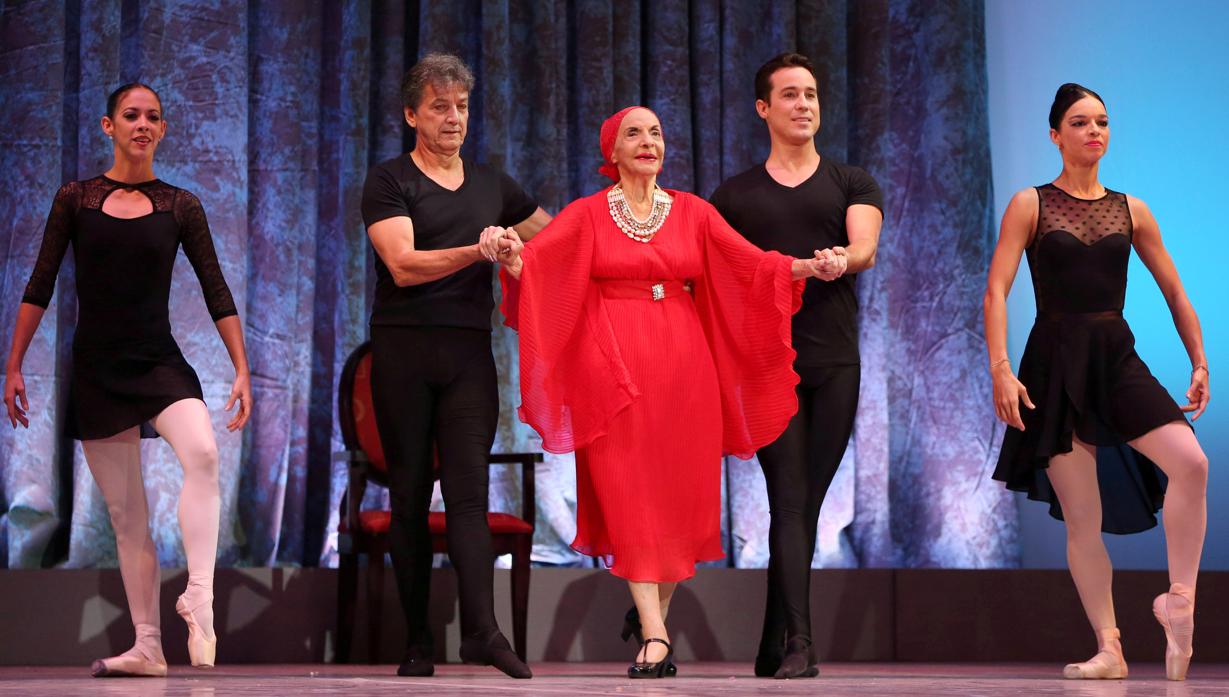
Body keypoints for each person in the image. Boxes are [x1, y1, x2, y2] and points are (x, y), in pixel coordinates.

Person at [496, 105, 829, 679]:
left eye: (655, 132)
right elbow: (539, 268)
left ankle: (650, 621)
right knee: (628, 494)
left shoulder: (695, 213)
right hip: (612, 366)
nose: (648, 141)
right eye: (633, 133)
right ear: (613, 151)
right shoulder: (588, 214)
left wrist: (804, 267)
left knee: (678, 499)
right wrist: (509, 256)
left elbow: (749, 265)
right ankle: (655, 634)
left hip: (684, 364)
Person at [3, 83, 251, 677]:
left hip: (159, 361)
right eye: (131, 116)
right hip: (98, 368)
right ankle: (147, 645)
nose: (143, 124)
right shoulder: (76, 200)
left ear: (163, 131)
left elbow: (216, 288)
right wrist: (13, 363)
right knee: (127, 513)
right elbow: (39, 283)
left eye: (154, 117)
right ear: (108, 126)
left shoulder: (179, 205)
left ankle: (198, 593)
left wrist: (241, 367)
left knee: (204, 453)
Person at [985, 83, 1209, 682]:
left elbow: (1174, 290)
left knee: (1192, 463)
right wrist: (1000, 368)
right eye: (1081, 122)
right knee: (1082, 516)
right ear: (1055, 134)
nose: (1094, 131)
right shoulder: (1030, 204)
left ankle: (1179, 602)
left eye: (1103, 122)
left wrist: (1199, 360)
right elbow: (997, 289)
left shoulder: (1132, 209)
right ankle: (1110, 647)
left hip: (1115, 356)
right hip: (1054, 362)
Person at [359, 53, 551, 679]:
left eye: (462, 106)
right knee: (410, 496)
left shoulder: (494, 185)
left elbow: (556, 244)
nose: (453, 118)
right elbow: (403, 264)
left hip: (469, 356)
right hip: (404, 354)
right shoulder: (389, 181)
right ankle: (418, 640)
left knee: (469, 494)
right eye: (440, 106)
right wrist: (479, 249)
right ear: (412, 113)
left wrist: (631, 226)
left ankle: (482, 633)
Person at [709, 52, 883, 679]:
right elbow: (718, 273)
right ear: (764, 109)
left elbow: (864, 246)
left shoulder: (851, 181)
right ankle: (800, 645)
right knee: (788, 495)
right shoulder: (734, 196)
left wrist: (843, 258)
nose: (804, 104)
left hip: (834, 360)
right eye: (789, 95)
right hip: (764, 364)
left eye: (810, 94)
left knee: (805, 504)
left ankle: (771, 636)